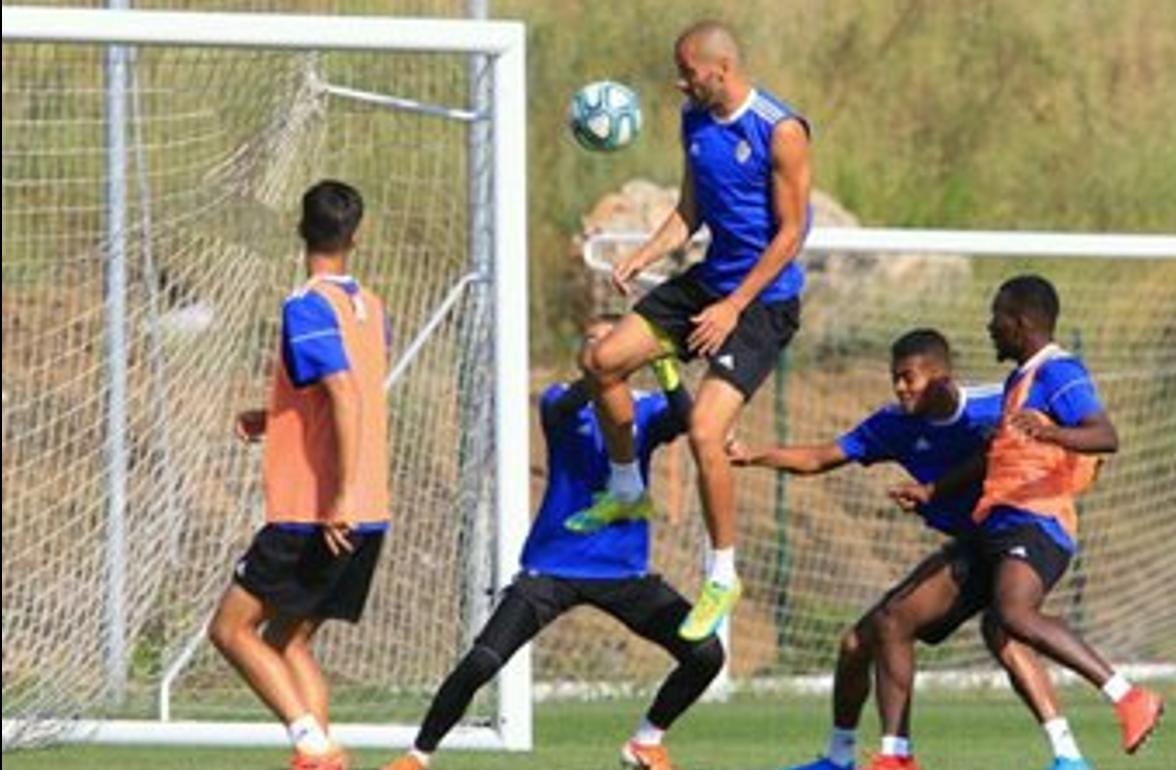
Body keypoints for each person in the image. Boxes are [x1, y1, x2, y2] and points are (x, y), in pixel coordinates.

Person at [731, 329, 1091, 770]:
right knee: (858, 643)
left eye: (909, 378)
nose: (900, 388)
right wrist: (755, 455)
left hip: (1018, 536)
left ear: (941, 377)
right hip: (972, 547)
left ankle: (902, 756)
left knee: (994, 630)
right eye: (895, 378)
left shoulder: (997, 403)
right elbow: (821, 457)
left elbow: (1073, 431)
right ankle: (842, 757)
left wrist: (1078, 465)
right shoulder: (892, 424)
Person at [382, 317, 724, 770]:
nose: (601, 347)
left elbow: (688, 420)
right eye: (592, 341)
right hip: (554, 566)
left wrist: (665, 367)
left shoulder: (646, 409)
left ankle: (645, 742)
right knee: (483, 661)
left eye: (612, 341)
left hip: (624, 571)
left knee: (706, 654)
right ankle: (416, 757)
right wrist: (603, 372)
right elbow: (579, 395)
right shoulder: (560, 400)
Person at [575, 19, 812, 642]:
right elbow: (690, 211)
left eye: (688, 72)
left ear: (721, 69)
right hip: (709, 283)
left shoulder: (780, 131)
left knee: (706, 431)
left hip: (763, 303)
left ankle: (723, 575)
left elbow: (791, 234)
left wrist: (734, 306)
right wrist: (643, 254)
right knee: (602, 361)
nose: (680, 83)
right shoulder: (695, 120)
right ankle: (627, 486)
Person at [892, 275, 1165, 759]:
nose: (989, 327)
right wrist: (933, 490)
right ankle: (1067, 756)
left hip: (1036, 521)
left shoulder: (1059, 371)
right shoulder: (1020, 380)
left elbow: (1105, 435)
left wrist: (1053, 433)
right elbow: (996, 452)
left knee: (1015, 613)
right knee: (964, 625)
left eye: (996, 316)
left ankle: (1129, 697)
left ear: (1019, 323)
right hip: (997, 524)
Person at [209, 180, 389, 770]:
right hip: (370, 510)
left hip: (315, 512)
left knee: (231, 630)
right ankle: (323, 754)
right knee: (288, 641)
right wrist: (276, 418)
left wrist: (337, 498)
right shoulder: (372, 308)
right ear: (356, 236)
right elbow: (348, 394)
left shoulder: (306, 306)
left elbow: (343, 394)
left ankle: (313, 746)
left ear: (299, 229)